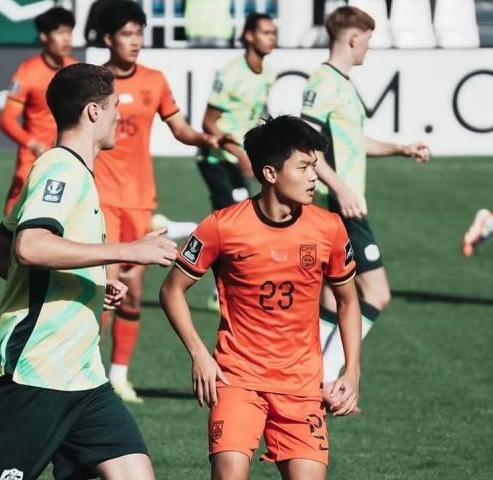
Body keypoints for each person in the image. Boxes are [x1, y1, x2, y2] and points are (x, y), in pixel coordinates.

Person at [0, 63, 178, 480]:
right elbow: (29, 246)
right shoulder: (60, 170)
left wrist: (90, 282)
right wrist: (128, 250)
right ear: (94, 112)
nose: (120, 116)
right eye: (115, 106)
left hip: (83, 378)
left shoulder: (73, 172)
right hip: (34, 372)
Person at [160, 115, 362, 480]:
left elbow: (348, 301)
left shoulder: (329, 228)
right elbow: (172, 289)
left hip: (301, 386)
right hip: (237, 380)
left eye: (314, 166)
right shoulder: (222, 226)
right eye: (303, 167)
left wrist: (352, 371)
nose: (313, 177)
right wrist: (199, 354)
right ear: (270, 173)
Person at [96, 0, 221, 403]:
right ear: (108, 38)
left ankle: (118, 376)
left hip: (140, 204)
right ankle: (85, 375)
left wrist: (204, 138)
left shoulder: (154, 80)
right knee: (105, 288)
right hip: (100, 200)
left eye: (139, 34)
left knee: (132, 291)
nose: (135, 42)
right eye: (127, 34)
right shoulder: (94, 83)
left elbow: (180, 128)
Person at [300, 6, 429, 392]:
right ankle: (328, 375)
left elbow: (354, 141)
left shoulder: (342, 83)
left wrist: (400, 148)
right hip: (340, 206)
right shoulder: (323, 82)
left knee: (330, 297)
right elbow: (307, 146)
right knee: (377, 293)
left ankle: (312, 377)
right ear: (353, 38)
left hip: (343, 202)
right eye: (368, 40)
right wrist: (340, 187)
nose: (370, 47)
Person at [0, 6, 77, 321]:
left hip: (67, 171)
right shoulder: (29, 71)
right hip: (31, 172)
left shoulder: (75, 71)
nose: (66, 39)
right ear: (44, 36)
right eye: (60, 32)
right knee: (9, 240)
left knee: (62, 238)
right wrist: (32, 142)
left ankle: (52, 299)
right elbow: (7, 119)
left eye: (69, 32)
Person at [199, 12, 277, 311]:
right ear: (248, 35)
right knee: (232, 222)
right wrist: (240, 153)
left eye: (273, 32)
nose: (271, 37)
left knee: (234, 222)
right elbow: (209, 123)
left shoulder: (269, 73)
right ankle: (220, 292)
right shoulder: (231, 73)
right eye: (265, 32)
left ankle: (220, 289)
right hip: (216, 159)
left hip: (240, 158)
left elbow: (256, 115)